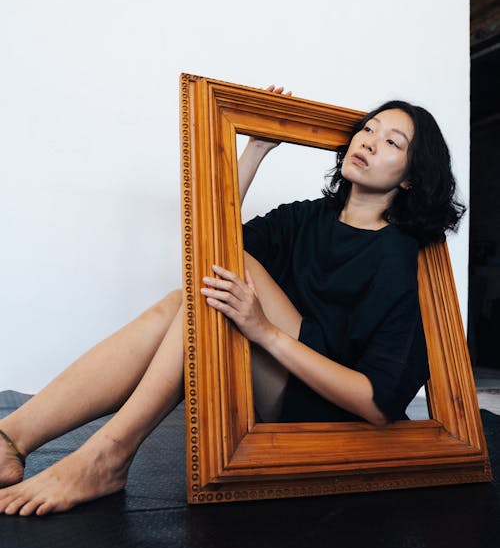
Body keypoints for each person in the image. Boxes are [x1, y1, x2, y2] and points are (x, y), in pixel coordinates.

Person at [0, 88, 464, 516]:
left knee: (227, 268)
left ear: (409, 178)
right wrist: (255, 148)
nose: (368, 141)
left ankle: (109, 455)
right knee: (183, 297)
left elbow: (377, 403)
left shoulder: (399, 255)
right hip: (275, 385)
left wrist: (265, 332)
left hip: (325, 413)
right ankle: (11, 439)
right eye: (368, 129)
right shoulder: (308, 217)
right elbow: (208, 244)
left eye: (391, 142)